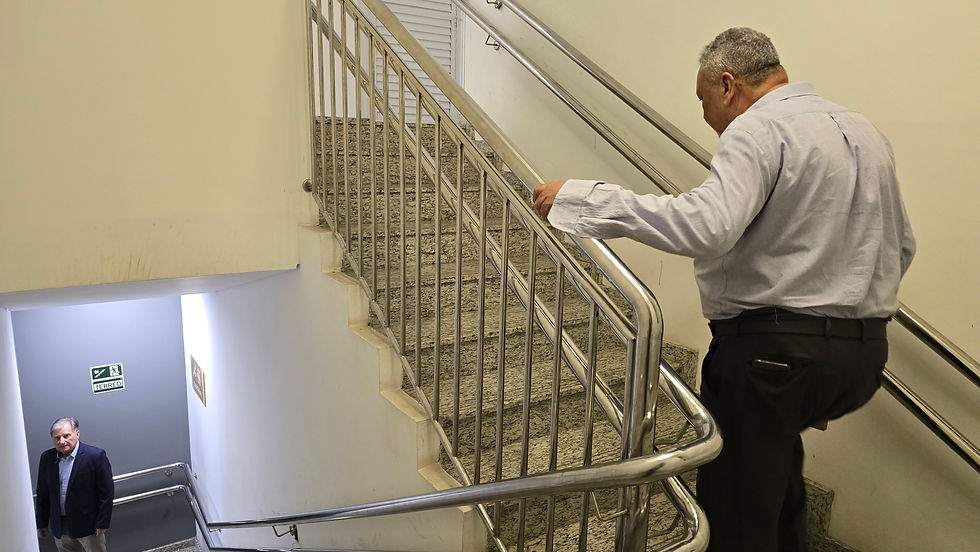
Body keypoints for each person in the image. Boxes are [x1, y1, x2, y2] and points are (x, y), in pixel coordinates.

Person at [532, 27, 914, 552]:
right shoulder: (863, 131)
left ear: (728, 85)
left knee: (736, 514)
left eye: (704, 100)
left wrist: (583, 199)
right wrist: (825, 352)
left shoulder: (757, 130)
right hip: (859, 356)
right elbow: (901, 247)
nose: (707, 117)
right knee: (777, 494)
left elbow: (706, 226)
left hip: (769, 357)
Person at [36, 417, 114, 552]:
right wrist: (41, 523)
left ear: (77, 434)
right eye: (57, 438)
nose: (62, 441)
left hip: (89, 525)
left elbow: (106, 493)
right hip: (61, 525)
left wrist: (103, 522)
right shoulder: (47, 458)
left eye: (66, 436)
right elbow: (43, 493)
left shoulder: (95, 456)